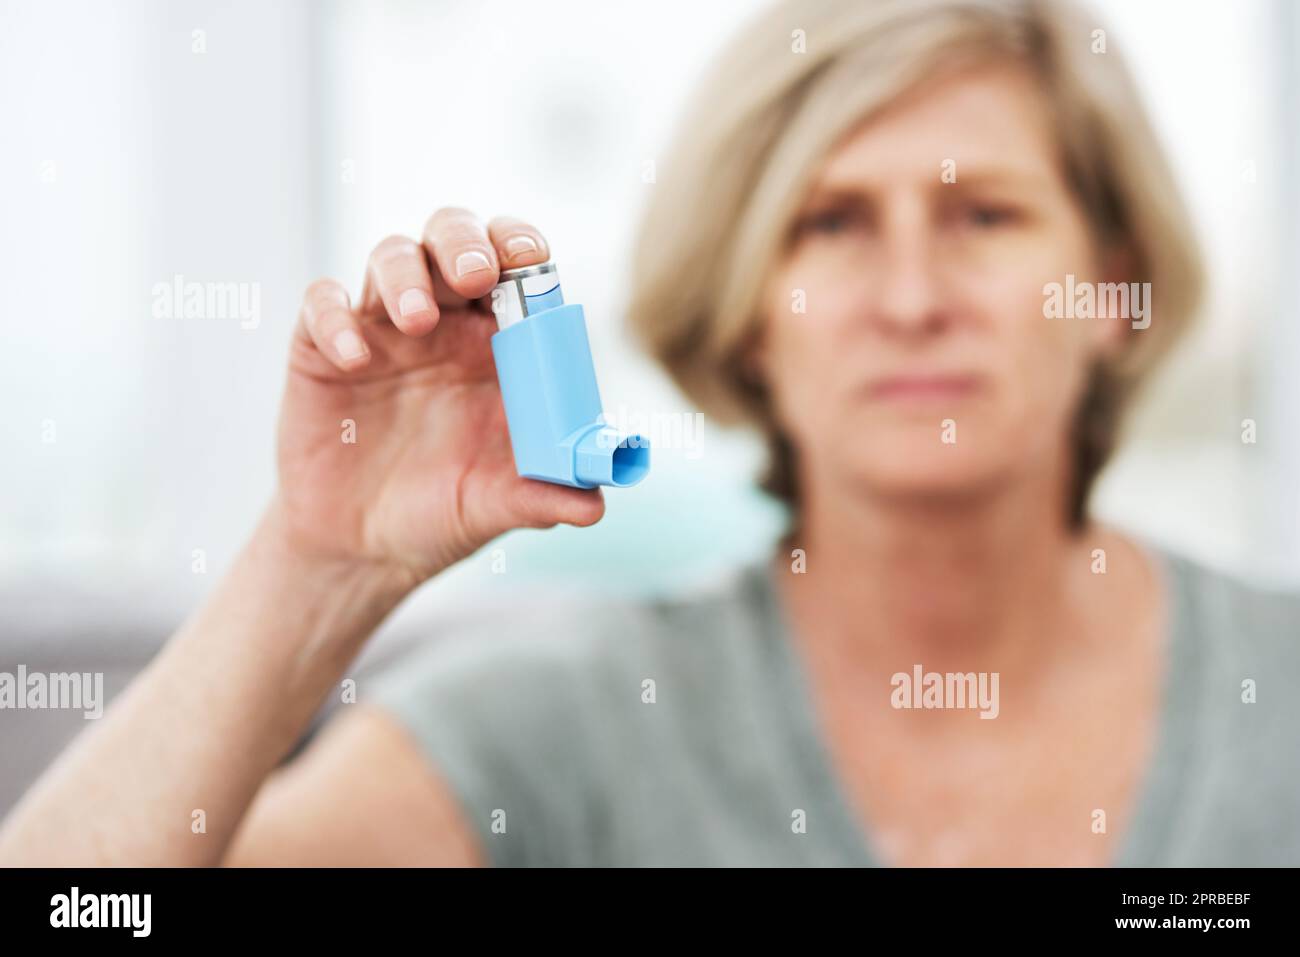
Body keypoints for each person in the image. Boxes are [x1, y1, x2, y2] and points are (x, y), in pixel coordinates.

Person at [2, 0, 1296, 867]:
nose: (912, 298)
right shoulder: (564, 727)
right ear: (742, 314)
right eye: (830, 225)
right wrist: (316, 565)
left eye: (986, 218)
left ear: (1114, 284)